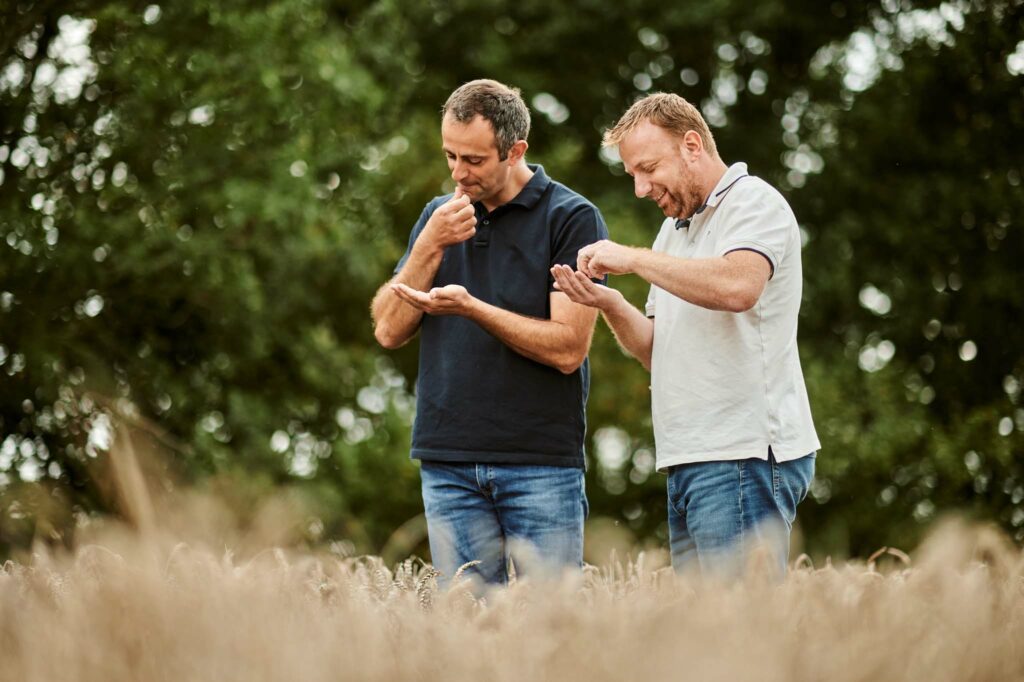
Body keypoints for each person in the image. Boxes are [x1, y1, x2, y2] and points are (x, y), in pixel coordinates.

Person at [551, 93, 819, 580]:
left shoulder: (754, 202)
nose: (639, 188)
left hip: (743, 455)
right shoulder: (674, 232)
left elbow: (739, 286)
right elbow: (658, 350)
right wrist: (606, 301)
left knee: (736, 635)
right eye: (632, 173)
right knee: (701, 643)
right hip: (688, 458)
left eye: (648, 168)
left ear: (692, 145)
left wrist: (630, 258)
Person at [371, 79, 608, 588]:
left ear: (515, 150)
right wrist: (428, 246)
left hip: (539, 463)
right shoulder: (437, 217)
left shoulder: (572, 219)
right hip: (447, 461)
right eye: (450, 156)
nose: (458, 173)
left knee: (552, 635)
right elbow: (388, 329)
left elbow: (569, 348)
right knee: (466, 639)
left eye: (474, 160)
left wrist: (473, 308)